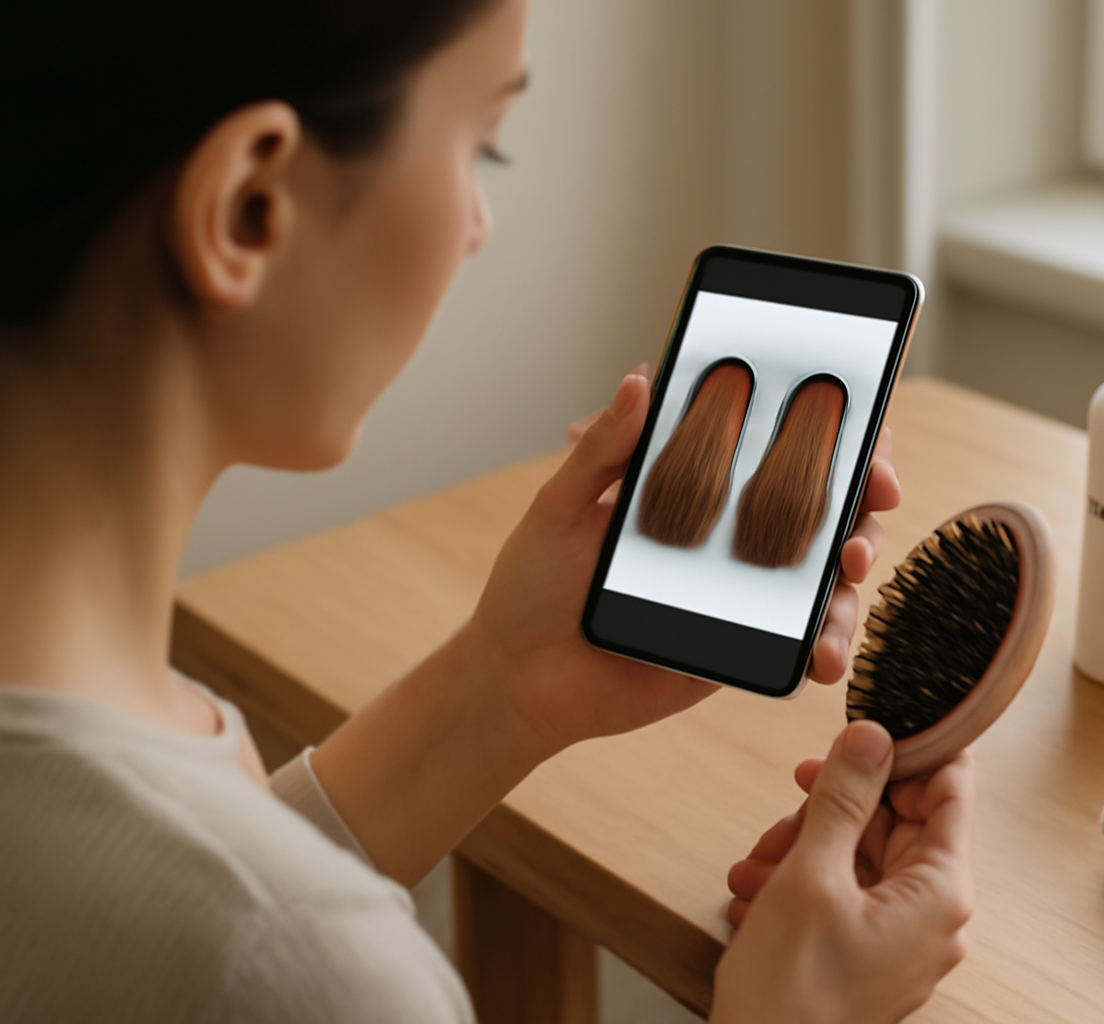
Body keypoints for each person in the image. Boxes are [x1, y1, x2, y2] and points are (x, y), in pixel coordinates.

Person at [0, 0, 975, 1020]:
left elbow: (145, 945)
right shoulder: (320, 973)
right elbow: (246, 949)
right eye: (484, 145)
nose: (477, 223)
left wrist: (501, 686)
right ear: (251, 205)